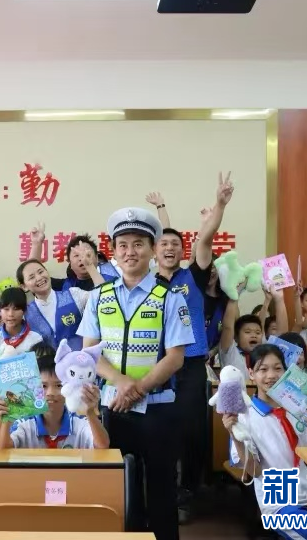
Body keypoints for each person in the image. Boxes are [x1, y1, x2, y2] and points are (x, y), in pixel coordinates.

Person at [78, 207, 194, 540]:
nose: (131, 252)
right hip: (113, 407)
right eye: (124, 245)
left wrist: (137, 389)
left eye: (139, 244)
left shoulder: (170, 298)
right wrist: (121, 383)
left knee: (161, 488)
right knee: (120, 485)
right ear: (114, 252)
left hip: (159, 408)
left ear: (153, 250)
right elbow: (90, 353)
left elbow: (175, 358)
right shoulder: (99, 297)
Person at [150, 174, 233, 521]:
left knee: (191, 431)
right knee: (158, 432)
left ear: (183, 252)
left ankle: (186, 494)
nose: (169, 248)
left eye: (175, 244)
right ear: (154, 251)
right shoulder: (145, 283)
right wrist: (160, 210)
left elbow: (206, 237)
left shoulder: (193, 276)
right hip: (156, 367)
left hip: (192, 365)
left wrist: (220, 205)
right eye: (163, 244)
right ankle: (159, 492)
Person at [224, 344, 307, 540]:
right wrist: (234, 434)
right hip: (279, 504)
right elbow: (254, 471)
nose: (271, 375)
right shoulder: (243, 417)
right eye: (263, 369)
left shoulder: (300, 408)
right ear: (251, 374)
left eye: (278, 368)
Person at [0, 353, 108, 449]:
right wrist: (6, 420)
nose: (50, 393)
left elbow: (102, 446)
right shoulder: (24, 423)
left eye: (59, 385)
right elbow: (4, 449)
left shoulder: (79, 422)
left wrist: (90, 412)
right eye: (43, 386)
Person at [17, 258, 95, 352]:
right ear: (24, 287)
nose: (39, 278)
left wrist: (91, 268)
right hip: (48, 361)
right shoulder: (25, 314)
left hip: (82, 358)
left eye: (41, 272)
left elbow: (101, 298)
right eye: (31, 277)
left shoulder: (74, 295)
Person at [29, 226, 115, 291]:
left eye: (86, 253)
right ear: (70, 263)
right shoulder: (64, 286)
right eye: (76, 255)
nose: (82, 258)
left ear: (97, 257)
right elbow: (32, 274)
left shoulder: (114, 280)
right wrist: (36, 244)